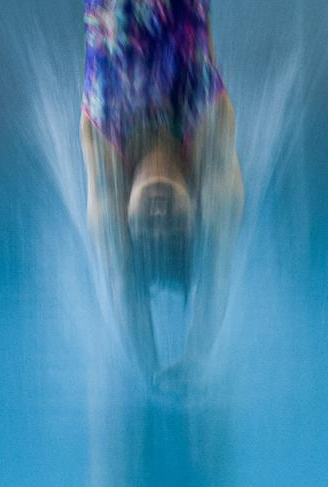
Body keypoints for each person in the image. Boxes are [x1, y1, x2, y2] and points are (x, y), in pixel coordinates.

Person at [80, 0, 244, 388]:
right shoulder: (208, 134)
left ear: (125, 220)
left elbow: (121, 278)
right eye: (172, 232)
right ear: (196, 212)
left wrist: (148, 369)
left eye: (147, 233)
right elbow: (216, 268)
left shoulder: (104, 144)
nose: (158, 219)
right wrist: (195, 358)